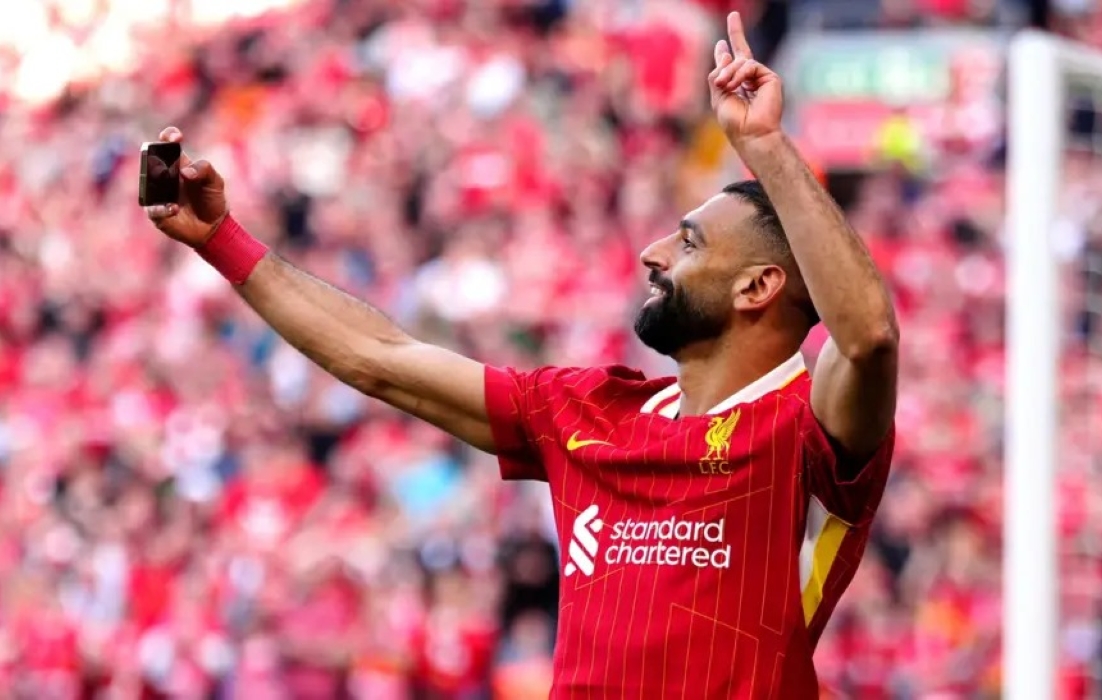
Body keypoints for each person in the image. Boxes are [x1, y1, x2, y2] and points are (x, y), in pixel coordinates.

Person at [144, 12, 898, 698]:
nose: (653, 251)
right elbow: (377, 356)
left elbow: (866, 335)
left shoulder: (808, 427)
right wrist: (221, 240)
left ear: (759, 286)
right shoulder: (588, 412)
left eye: (689, 242)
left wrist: (764, 147)